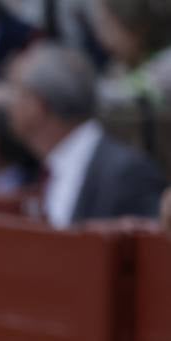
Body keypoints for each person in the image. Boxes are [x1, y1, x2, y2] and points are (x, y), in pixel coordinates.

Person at [10, 42, 166, 225]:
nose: (9, 103)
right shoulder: (50, 170)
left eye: (16, 91)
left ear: (37, 106)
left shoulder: (126, 174)